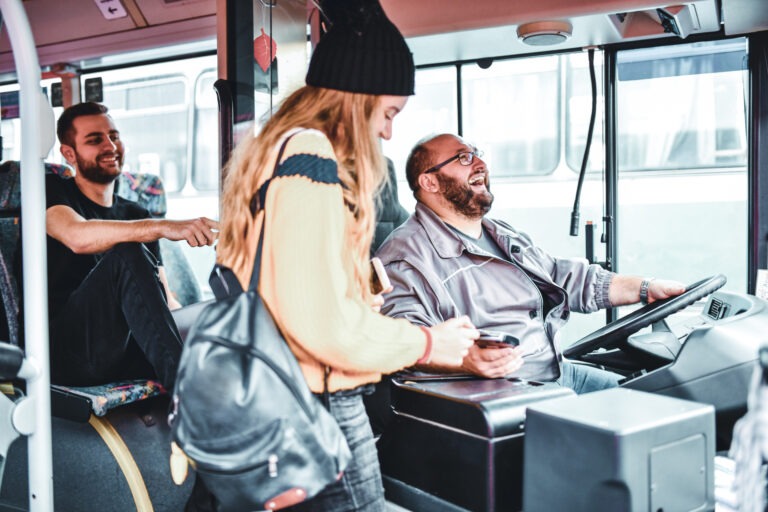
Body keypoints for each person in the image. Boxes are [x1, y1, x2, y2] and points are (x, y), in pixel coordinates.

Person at [214, 3, 476, 511]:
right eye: (388, 113)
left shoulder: (276, 150)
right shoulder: (310, 156)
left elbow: (298, 294)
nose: (388, 133)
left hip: (284, 398)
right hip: (318, 403)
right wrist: (428, 343)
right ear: (356, 100)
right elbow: (320, 324)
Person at [376, 133, 687, 393]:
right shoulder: (406, 258)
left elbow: (558, 276)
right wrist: (467, 357)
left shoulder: (500, 232)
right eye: (463, 158)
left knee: (664, 399)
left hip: (556, 372)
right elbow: (401, 338)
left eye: (477, 154)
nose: (481, 164)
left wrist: (646, 288)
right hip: (503, 393)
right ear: (430, 182)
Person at [43, 101, 218, 391]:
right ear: (69, 153)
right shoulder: (51, 191)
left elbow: (162, 297)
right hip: (69, 354)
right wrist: (163, 226)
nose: (110, 146)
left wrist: (203, 326)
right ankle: (189, 399)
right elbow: (75, 235)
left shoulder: (133, 213)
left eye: (114, 135)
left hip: (122, 349)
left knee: (222, 329)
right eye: (95, 139)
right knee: (126, 252)